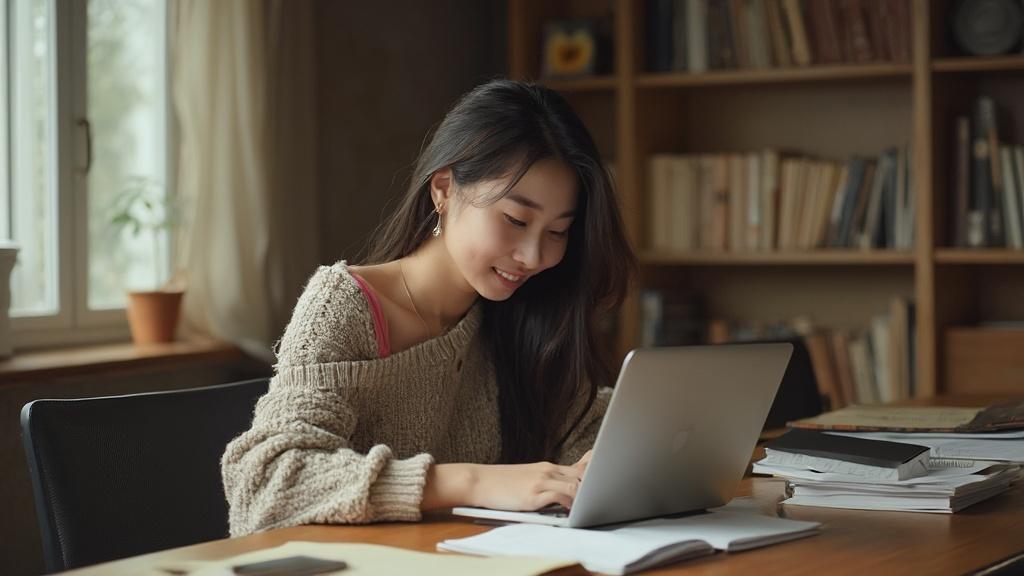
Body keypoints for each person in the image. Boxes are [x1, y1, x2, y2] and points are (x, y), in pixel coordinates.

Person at [221, 78, 636, 536]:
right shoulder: (344, 307)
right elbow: (266, 486)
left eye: (558, 231)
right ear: (443, 188)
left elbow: (578, 428)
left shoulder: (518, 313)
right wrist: (469, 481)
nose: (535, 256)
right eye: (515, 220)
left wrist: (616, 452)